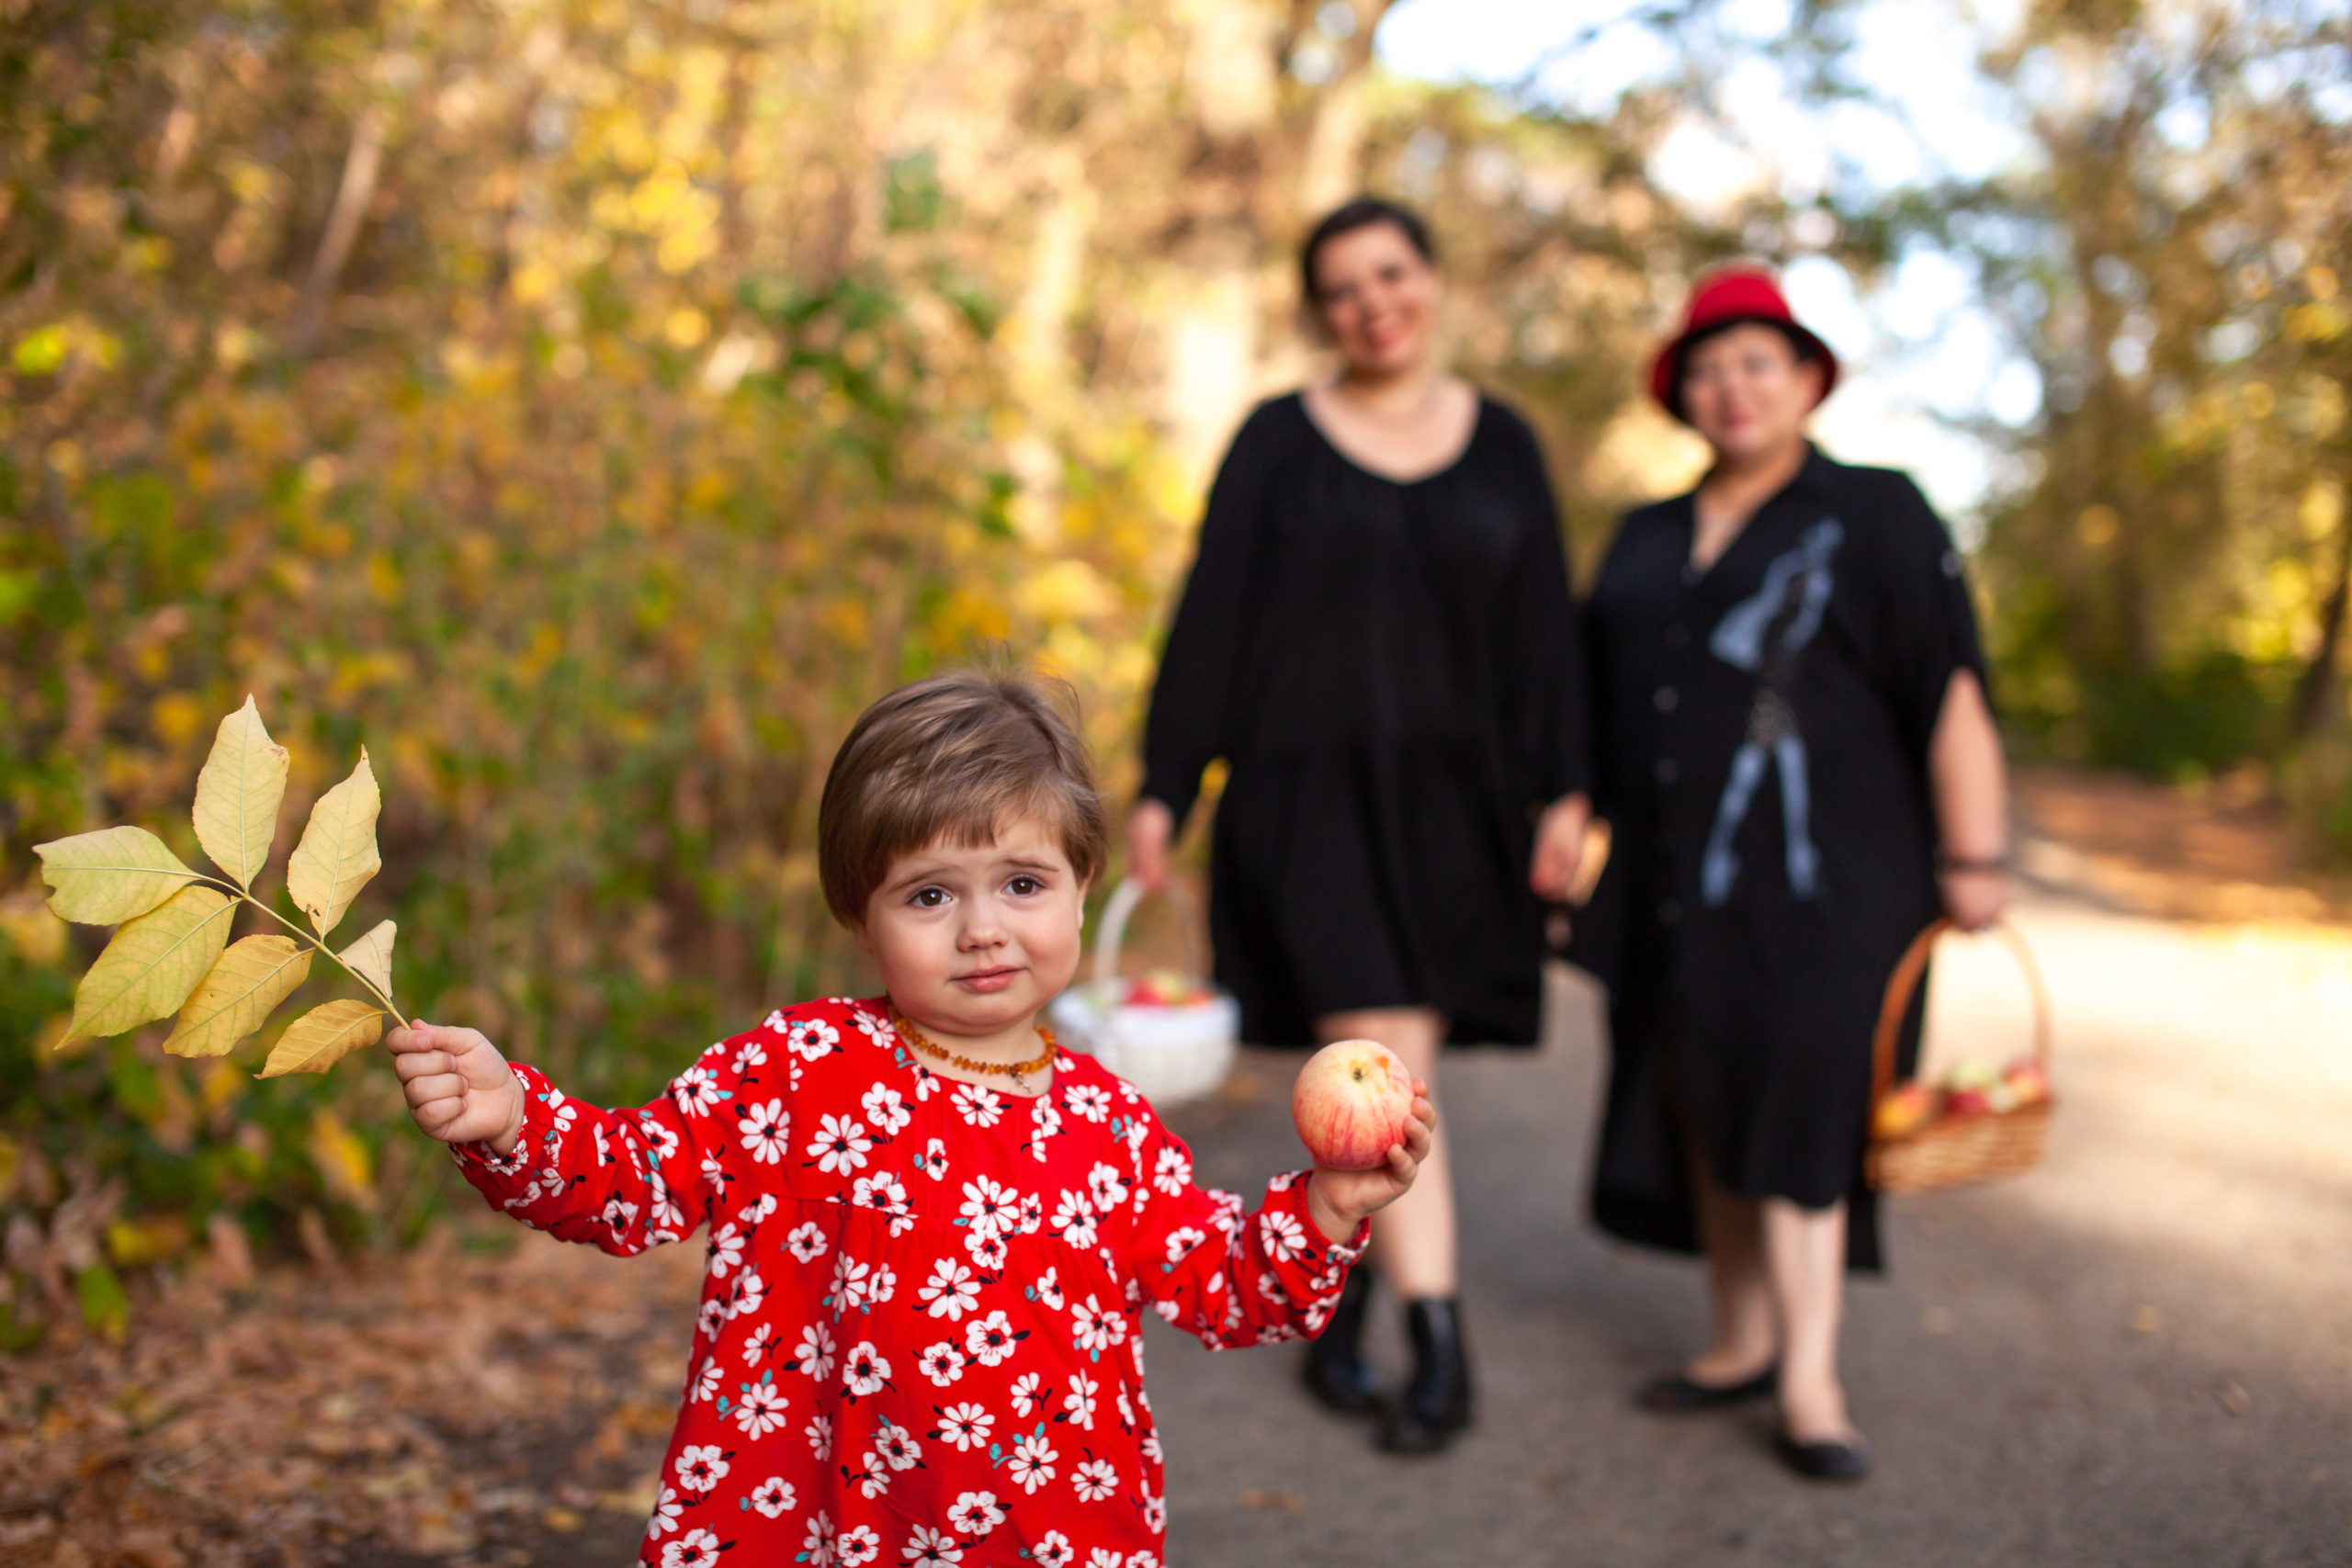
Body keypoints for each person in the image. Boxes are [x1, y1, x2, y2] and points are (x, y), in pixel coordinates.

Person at [382, 668, 1437, 1566]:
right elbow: (635, 1179)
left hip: (1051, 1533)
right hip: (821, 1524)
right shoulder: (800, 1072)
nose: (982, 929)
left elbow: (1221, 1283)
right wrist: (515, 1119)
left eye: (1022, 882)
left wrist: (1330, 1202)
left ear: (1081, 893)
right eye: (929, 895)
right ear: (861, 911)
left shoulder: (1110, 1126)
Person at [1129, 197, 1591, 1454]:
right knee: (1378, 1055)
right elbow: (1211, 616)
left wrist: (1566, 788)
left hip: (1460, 812)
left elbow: (1546, 632)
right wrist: (1167, 782)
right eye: (1340, 287)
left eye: (1390, 273)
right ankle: (1439, 1335)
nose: (1370, 302)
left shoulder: (1502, 441)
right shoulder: (1278, 440)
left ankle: (1341, 1310)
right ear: (1318, 310)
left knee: (1394, 1060)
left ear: (1431, 278)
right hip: (1306, 797)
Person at [1572, 266, 2009, 1482]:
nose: (1734, 386)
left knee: (1807, 1103)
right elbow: (1590, 701)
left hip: (1841, 887)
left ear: (1809, 377)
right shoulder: (1648, 533)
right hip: (1670, 882)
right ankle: (1740, 1338)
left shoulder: (1879, 511)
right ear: (1681, 394)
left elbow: (1952, 687)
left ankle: (1812, 1376)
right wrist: (1563, 812)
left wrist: (1976, 852)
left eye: (1759, 361)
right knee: (1701, 1099)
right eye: (1709, 367)